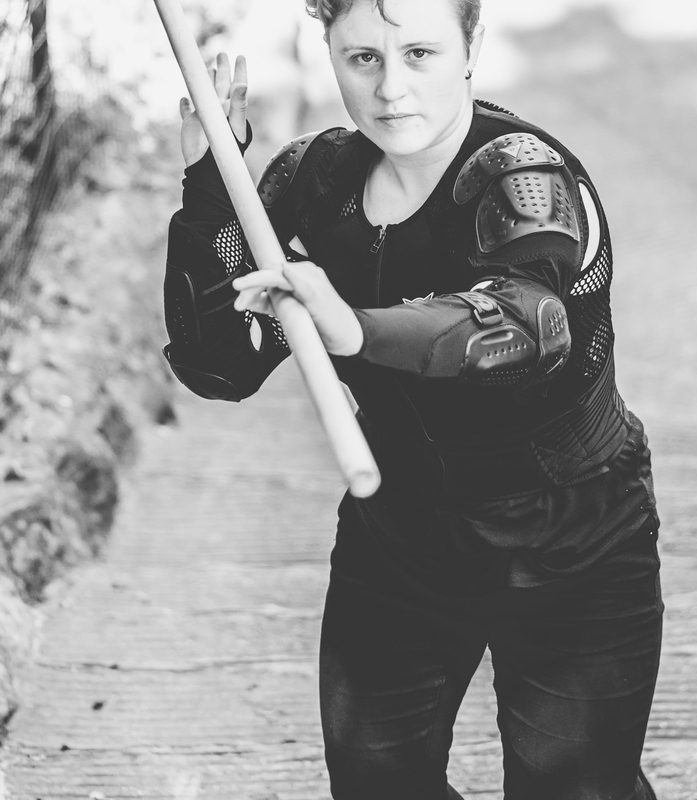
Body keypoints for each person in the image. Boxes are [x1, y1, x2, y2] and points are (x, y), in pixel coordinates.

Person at [163, 0, 663, 797]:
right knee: (376, 783)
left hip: (573, 540)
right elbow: (220, 366)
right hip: (398, 535)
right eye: (362, 57)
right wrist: (211, 186)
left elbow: (530, 325)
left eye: (420, 54)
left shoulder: (524, 177)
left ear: (472, 46)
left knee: (575, 789)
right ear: (327, 50)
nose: (391, 88)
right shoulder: (314, 181)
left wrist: (353, 327)